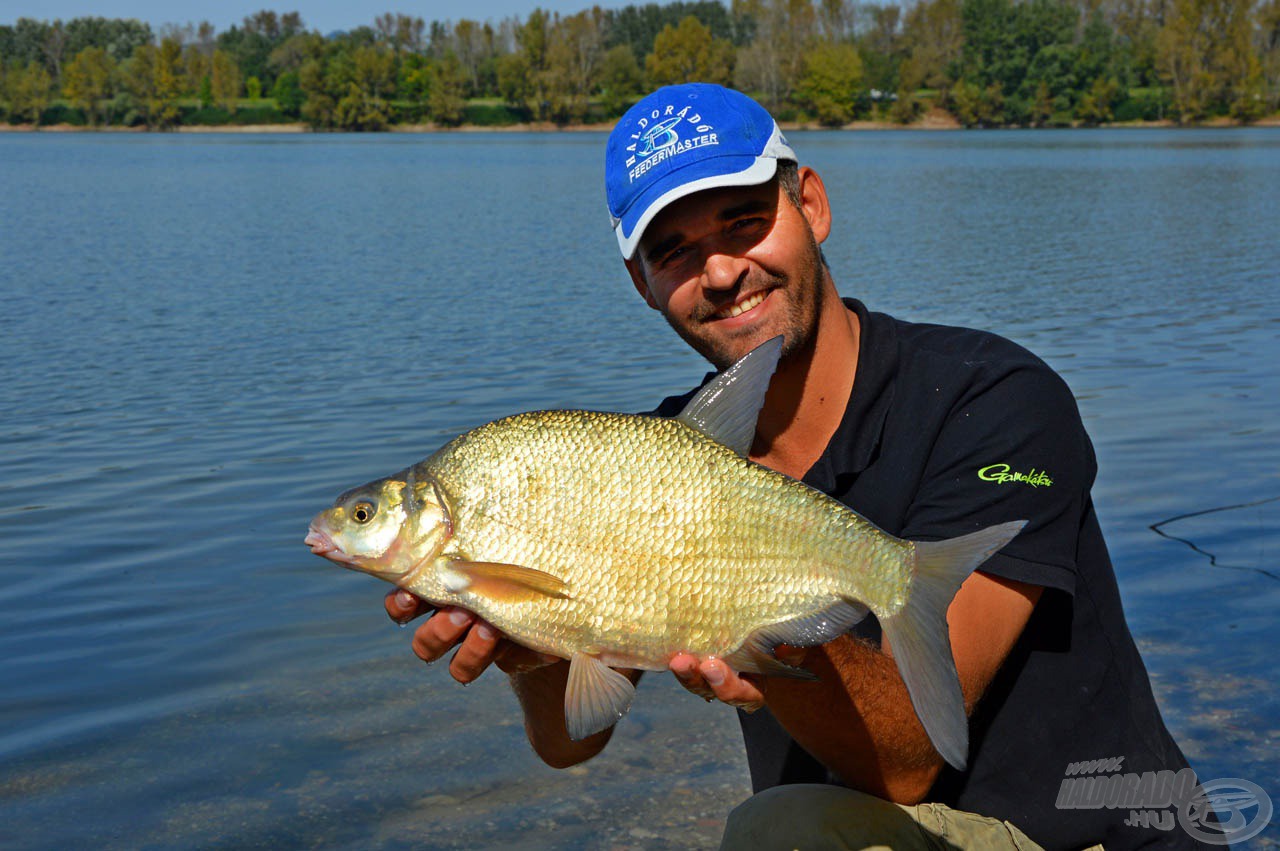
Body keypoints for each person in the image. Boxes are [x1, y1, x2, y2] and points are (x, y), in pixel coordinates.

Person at [385, 84, 1204, 850]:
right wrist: (533, 644)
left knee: (777, 828)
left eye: (743, 221)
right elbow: (571, 743)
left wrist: (751, 620)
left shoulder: (993, 399)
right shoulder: (657, 456)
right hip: (857, 828)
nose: (720, 271)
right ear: (641, 283)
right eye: (674, 251)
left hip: (1080, 836)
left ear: (809, 203)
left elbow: (909, 763)